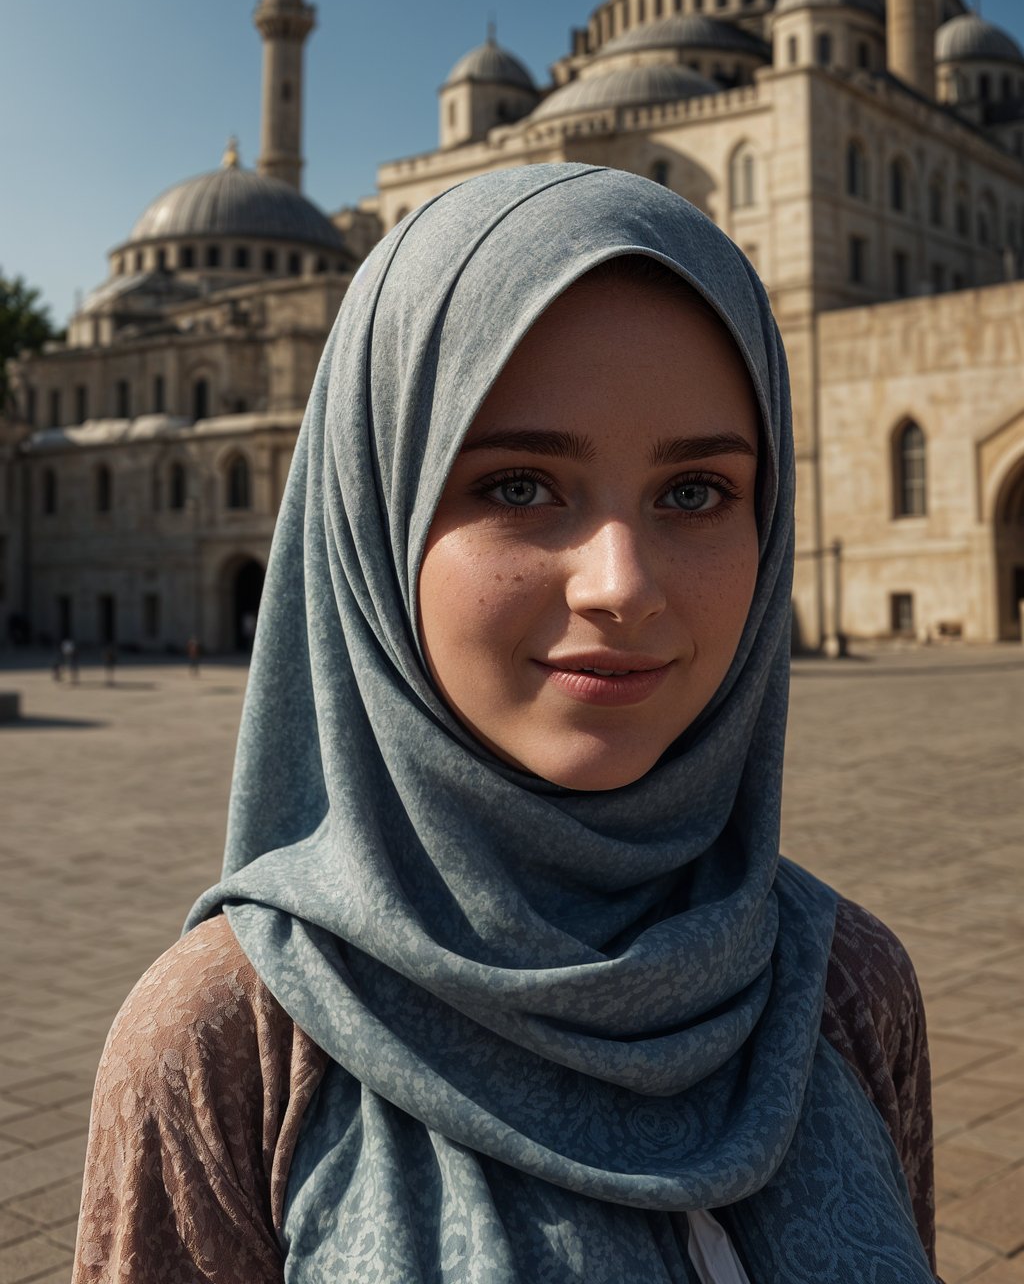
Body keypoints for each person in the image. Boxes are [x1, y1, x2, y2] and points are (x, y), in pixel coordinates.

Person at [73, 165, 940, 1283]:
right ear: (373, 511)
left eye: (695, 492)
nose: (619, 586)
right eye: (520, 485)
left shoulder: (845, 987)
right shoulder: (229, 1043)